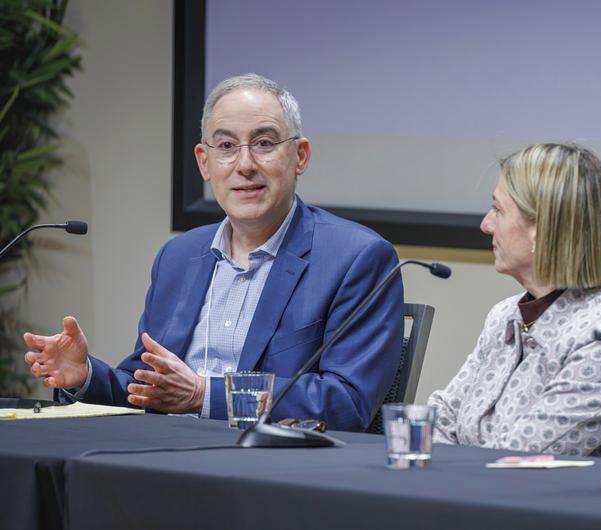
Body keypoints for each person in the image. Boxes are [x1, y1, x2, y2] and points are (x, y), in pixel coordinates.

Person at [22, 74, 404, 431]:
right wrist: (85, 374)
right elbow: (146, 387)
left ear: (300, 156)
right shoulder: (179, 257)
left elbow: (346, 404)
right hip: (162, 463)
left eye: (265, 144)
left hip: (271, 475)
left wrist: (205, 395)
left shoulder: (357, 258)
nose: (244, 164)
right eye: (225, 146)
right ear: (205, 163)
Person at [428, 143, 601, 457]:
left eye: (499, 210)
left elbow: (516, 460)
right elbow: (440, 418)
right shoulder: (505, 315)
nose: (486, 225)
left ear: (541, 230)